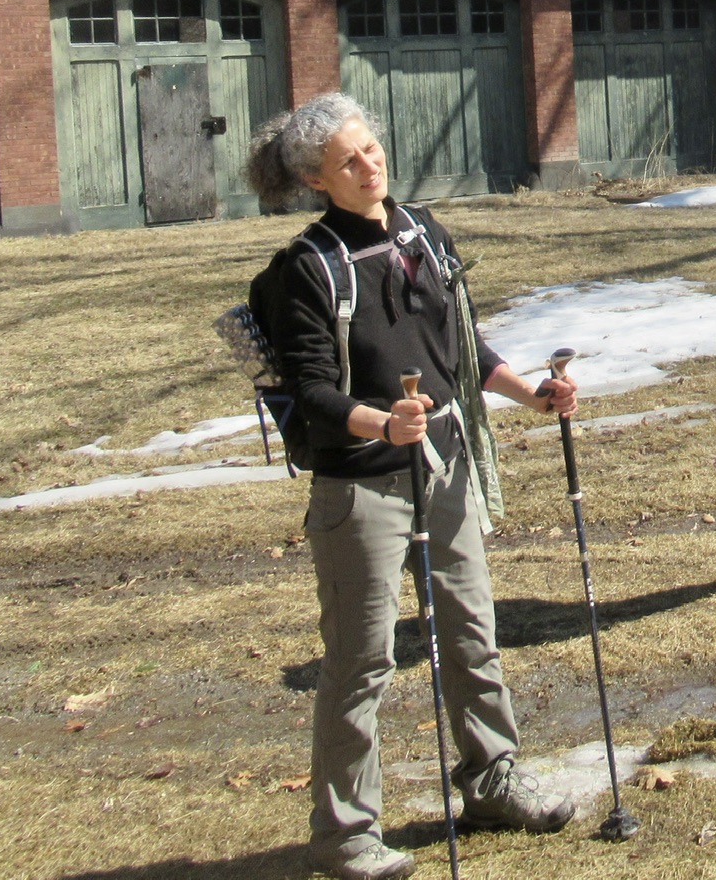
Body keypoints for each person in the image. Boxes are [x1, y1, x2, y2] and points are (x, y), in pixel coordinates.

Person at [247, 92, 577, 880]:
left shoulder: (423, 231)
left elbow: (461, 346)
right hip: (360, 489)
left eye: (371, 149)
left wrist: (530, 394)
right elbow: (316, 392)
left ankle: (493, 779)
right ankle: (347, 835)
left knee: (471, 634)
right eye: (348, 162)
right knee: (361, 663)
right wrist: (380, 423)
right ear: (316, 180)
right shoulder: (308, 267)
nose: (369, 167)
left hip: (445, 469)